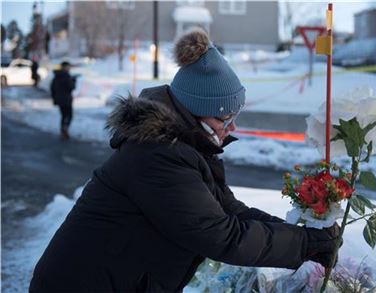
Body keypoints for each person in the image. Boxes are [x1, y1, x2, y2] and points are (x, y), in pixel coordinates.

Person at [30, 29, 340, 293]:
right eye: (225, 117)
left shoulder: (184, 147)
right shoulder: (156, 155)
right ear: (195, 111)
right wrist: (304, 244)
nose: (231, 127)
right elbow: (221, 235)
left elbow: (229, 210)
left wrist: (305, 235)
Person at [50, 61, 76, 140]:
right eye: (68, 66)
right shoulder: (67, 76)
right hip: (67, 99)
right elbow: (71, 87)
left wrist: (54, 98)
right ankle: (65, 128)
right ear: (65, 67)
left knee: (63, 115)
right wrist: (74, 81)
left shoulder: (56, 76)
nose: (69, 68)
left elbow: (52, 88)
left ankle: (62, 130)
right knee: (69, 115)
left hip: (59, 100)